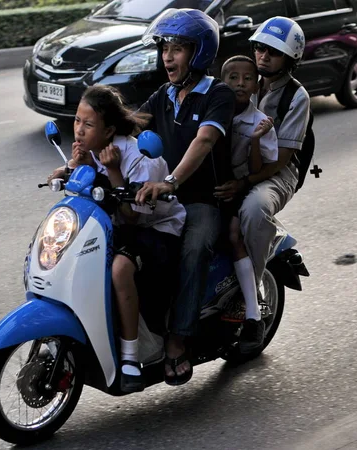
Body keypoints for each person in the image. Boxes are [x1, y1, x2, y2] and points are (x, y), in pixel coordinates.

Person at [57, 84, 186, 393]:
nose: (79, 130)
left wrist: (113, 170)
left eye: (88, 125)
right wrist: (72, 168)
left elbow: (132, 215)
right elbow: (75, 182)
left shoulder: (137, 156)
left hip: (157, 229)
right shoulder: (90, 151)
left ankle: (129, 357)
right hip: (120, 228)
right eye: (77, 121)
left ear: (109, 130)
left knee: (119, 268)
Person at [134, 8, 236, 385]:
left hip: (200, 199)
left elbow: (204, 140)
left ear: (200, 53)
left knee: (194, 250)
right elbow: (130, 127)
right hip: (163, 197)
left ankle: (178, 340)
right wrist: (86, 147)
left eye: (177, 48)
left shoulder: (218, 94)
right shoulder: (164, 95)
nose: (167, 56)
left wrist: (172, 181)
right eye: (165, 47)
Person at [216, 17, 310, 289]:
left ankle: (252, 292)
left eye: (274, 51)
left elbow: (279, 160)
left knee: (255, 208)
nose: (263, 55)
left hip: (277, 173)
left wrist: (242, 184)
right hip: (238, 159)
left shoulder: (296, 96)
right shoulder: (244, 78)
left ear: (290, 57)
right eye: (259, 47)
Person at [216, 55, 278, 353]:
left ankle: (253, 314)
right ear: (221, 80)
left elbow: (256, 170)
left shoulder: (259, 122)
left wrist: (255, 139)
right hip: (207, 185)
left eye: (247, 78)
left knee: (232, 234)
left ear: (257, 85)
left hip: (237, 186)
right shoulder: (213, 109)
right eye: (232, 77)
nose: (240, 83)